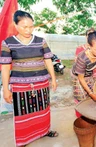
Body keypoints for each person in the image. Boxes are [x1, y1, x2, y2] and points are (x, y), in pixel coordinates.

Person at [0, 10, 58, 147]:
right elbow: (6, 67)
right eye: (24, 27)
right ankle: (24, 139)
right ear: (15, 25)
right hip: (20, 87)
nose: (28, 30)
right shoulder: (8, 43)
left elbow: (48, 60)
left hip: (41, 83)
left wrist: (53, 79)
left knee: (43, 110)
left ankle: (44, 131)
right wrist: (6, 88)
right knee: (23, 113)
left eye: (31, 26)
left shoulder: (41, 41)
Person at [72, 31, 96, 104]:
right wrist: (90, 93)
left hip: (89, 74)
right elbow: (81, 78)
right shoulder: (82, 58)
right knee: (82, 98)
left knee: (93, 92)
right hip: (78, 77)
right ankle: (81, 114)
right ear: (89, 46)